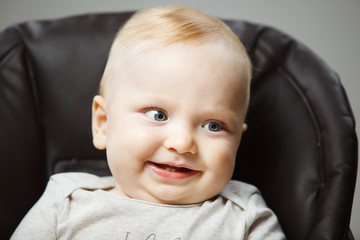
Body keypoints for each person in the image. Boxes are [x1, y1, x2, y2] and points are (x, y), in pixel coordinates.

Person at [12, 5, 286, 239]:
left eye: (213, 125)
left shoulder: (243, 214)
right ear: (103, 123)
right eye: (158, 115)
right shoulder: (67, 200)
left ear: (238, 139)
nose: (182, 143)